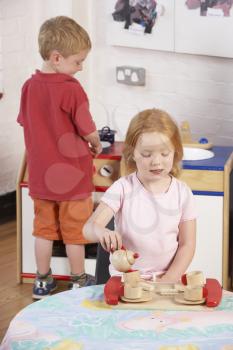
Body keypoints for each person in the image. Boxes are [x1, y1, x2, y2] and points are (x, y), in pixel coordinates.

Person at [17, 16, 102, 299]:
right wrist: (96, 143)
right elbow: (87, 128)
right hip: (72, 177)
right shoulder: (71, 89)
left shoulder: (29, 87)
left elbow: (27, 123)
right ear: (57, 58)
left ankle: (42, 282)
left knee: (43, 230)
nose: (81, 67)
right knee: (75, 231)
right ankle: (78, 280)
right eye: (78, 61)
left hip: (40, 175)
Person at [83, 108, 196, 283]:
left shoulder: (182, 193)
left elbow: (187, 245)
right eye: (146, 154)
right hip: (126, 281)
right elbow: (88, 229)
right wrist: (100, 231)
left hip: (166, 281)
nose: (156, 161)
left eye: (164, 153)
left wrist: (169, 279)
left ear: (176, 152)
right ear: (132, 154)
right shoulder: (122, 188)